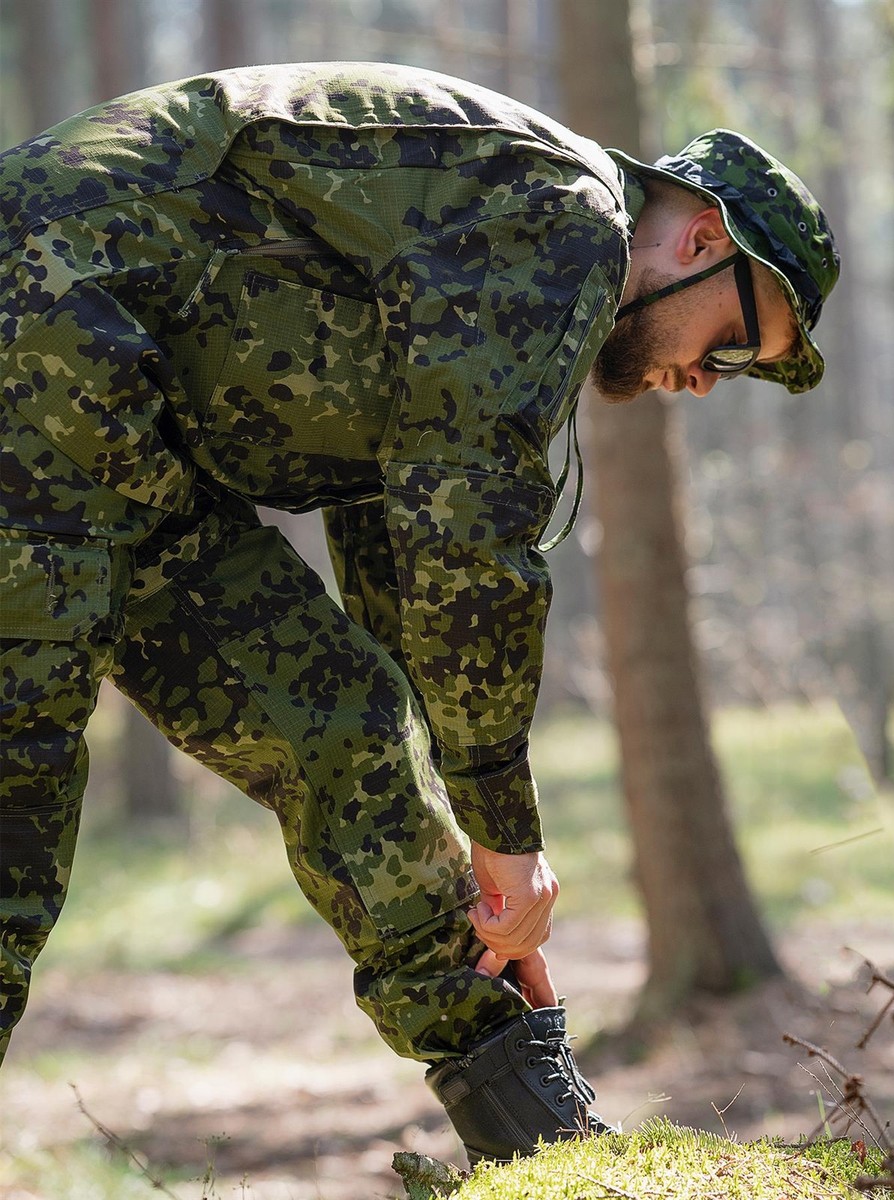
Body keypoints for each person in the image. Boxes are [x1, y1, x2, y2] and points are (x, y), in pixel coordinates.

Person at [0, 62, 838, 1163]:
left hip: (131, 437)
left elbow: (399, 553)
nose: (704, 381)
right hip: (48, 336)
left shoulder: (526, 252)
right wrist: (507, 836)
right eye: (733, 345)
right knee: (14, 813)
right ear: (700, 242)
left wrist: (474, 863)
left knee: (345, 729)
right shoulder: (565, 223)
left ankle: (539, 1140)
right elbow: (466, 542)